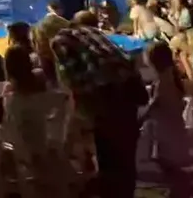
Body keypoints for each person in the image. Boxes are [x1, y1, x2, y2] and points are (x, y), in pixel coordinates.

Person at [50, 21, 146, 198]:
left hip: (107, 102)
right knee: (126, 164)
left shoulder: (59, 41)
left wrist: (67, 139)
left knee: (110, 167)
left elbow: (76, 88)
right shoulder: (89, 31)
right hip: (128, 96)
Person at [141, 43, 192, 198]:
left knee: (167, 162)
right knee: (164, 161)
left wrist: (141, 117)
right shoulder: (170, 76)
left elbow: (155, 103)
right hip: (171, 126)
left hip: (166, 130)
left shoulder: (163, 81)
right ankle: (177, 189)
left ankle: (181, 188)